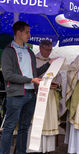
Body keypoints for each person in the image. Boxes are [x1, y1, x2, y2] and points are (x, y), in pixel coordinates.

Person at [0, 21, 54, 154]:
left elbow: (34, 73)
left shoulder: (29, 52)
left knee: (24, 128)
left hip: (31, 94)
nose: (29, 35)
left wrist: (50, 64)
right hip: (16, 95)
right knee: (9, 128)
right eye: (27, 32)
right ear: (18, 33)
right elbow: (8, 75)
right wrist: (30, 79)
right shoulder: (8, 51)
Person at [26, 40, 60, 153]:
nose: (48, 52)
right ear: (40, 48)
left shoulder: (54, 61)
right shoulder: (33, 60)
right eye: (46, 49)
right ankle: (34, 148)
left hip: (50, 97)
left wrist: (57, 84)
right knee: (36, 121)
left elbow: (58, 76)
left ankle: (47, 148)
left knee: (48, 121)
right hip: (38, 95)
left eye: (50, 50)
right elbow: (32, 75)